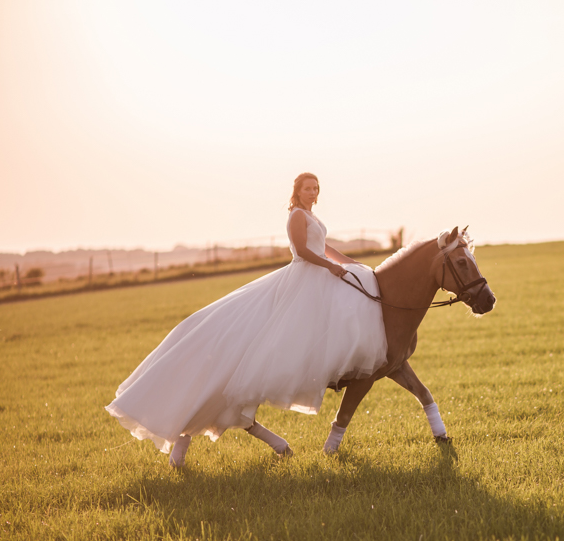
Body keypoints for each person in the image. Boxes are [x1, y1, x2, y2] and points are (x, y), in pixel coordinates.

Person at [105, 173, 388, 467]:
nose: (312, 192)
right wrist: (330, 267)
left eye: (316, 188)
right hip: (302, 280)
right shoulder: (296, 216)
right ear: (297, 191)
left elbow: (324, 247)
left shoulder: (312, 217)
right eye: (307, 188)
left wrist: (349, 263)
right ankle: (185, 435)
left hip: (318, 278)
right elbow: (303, 251)